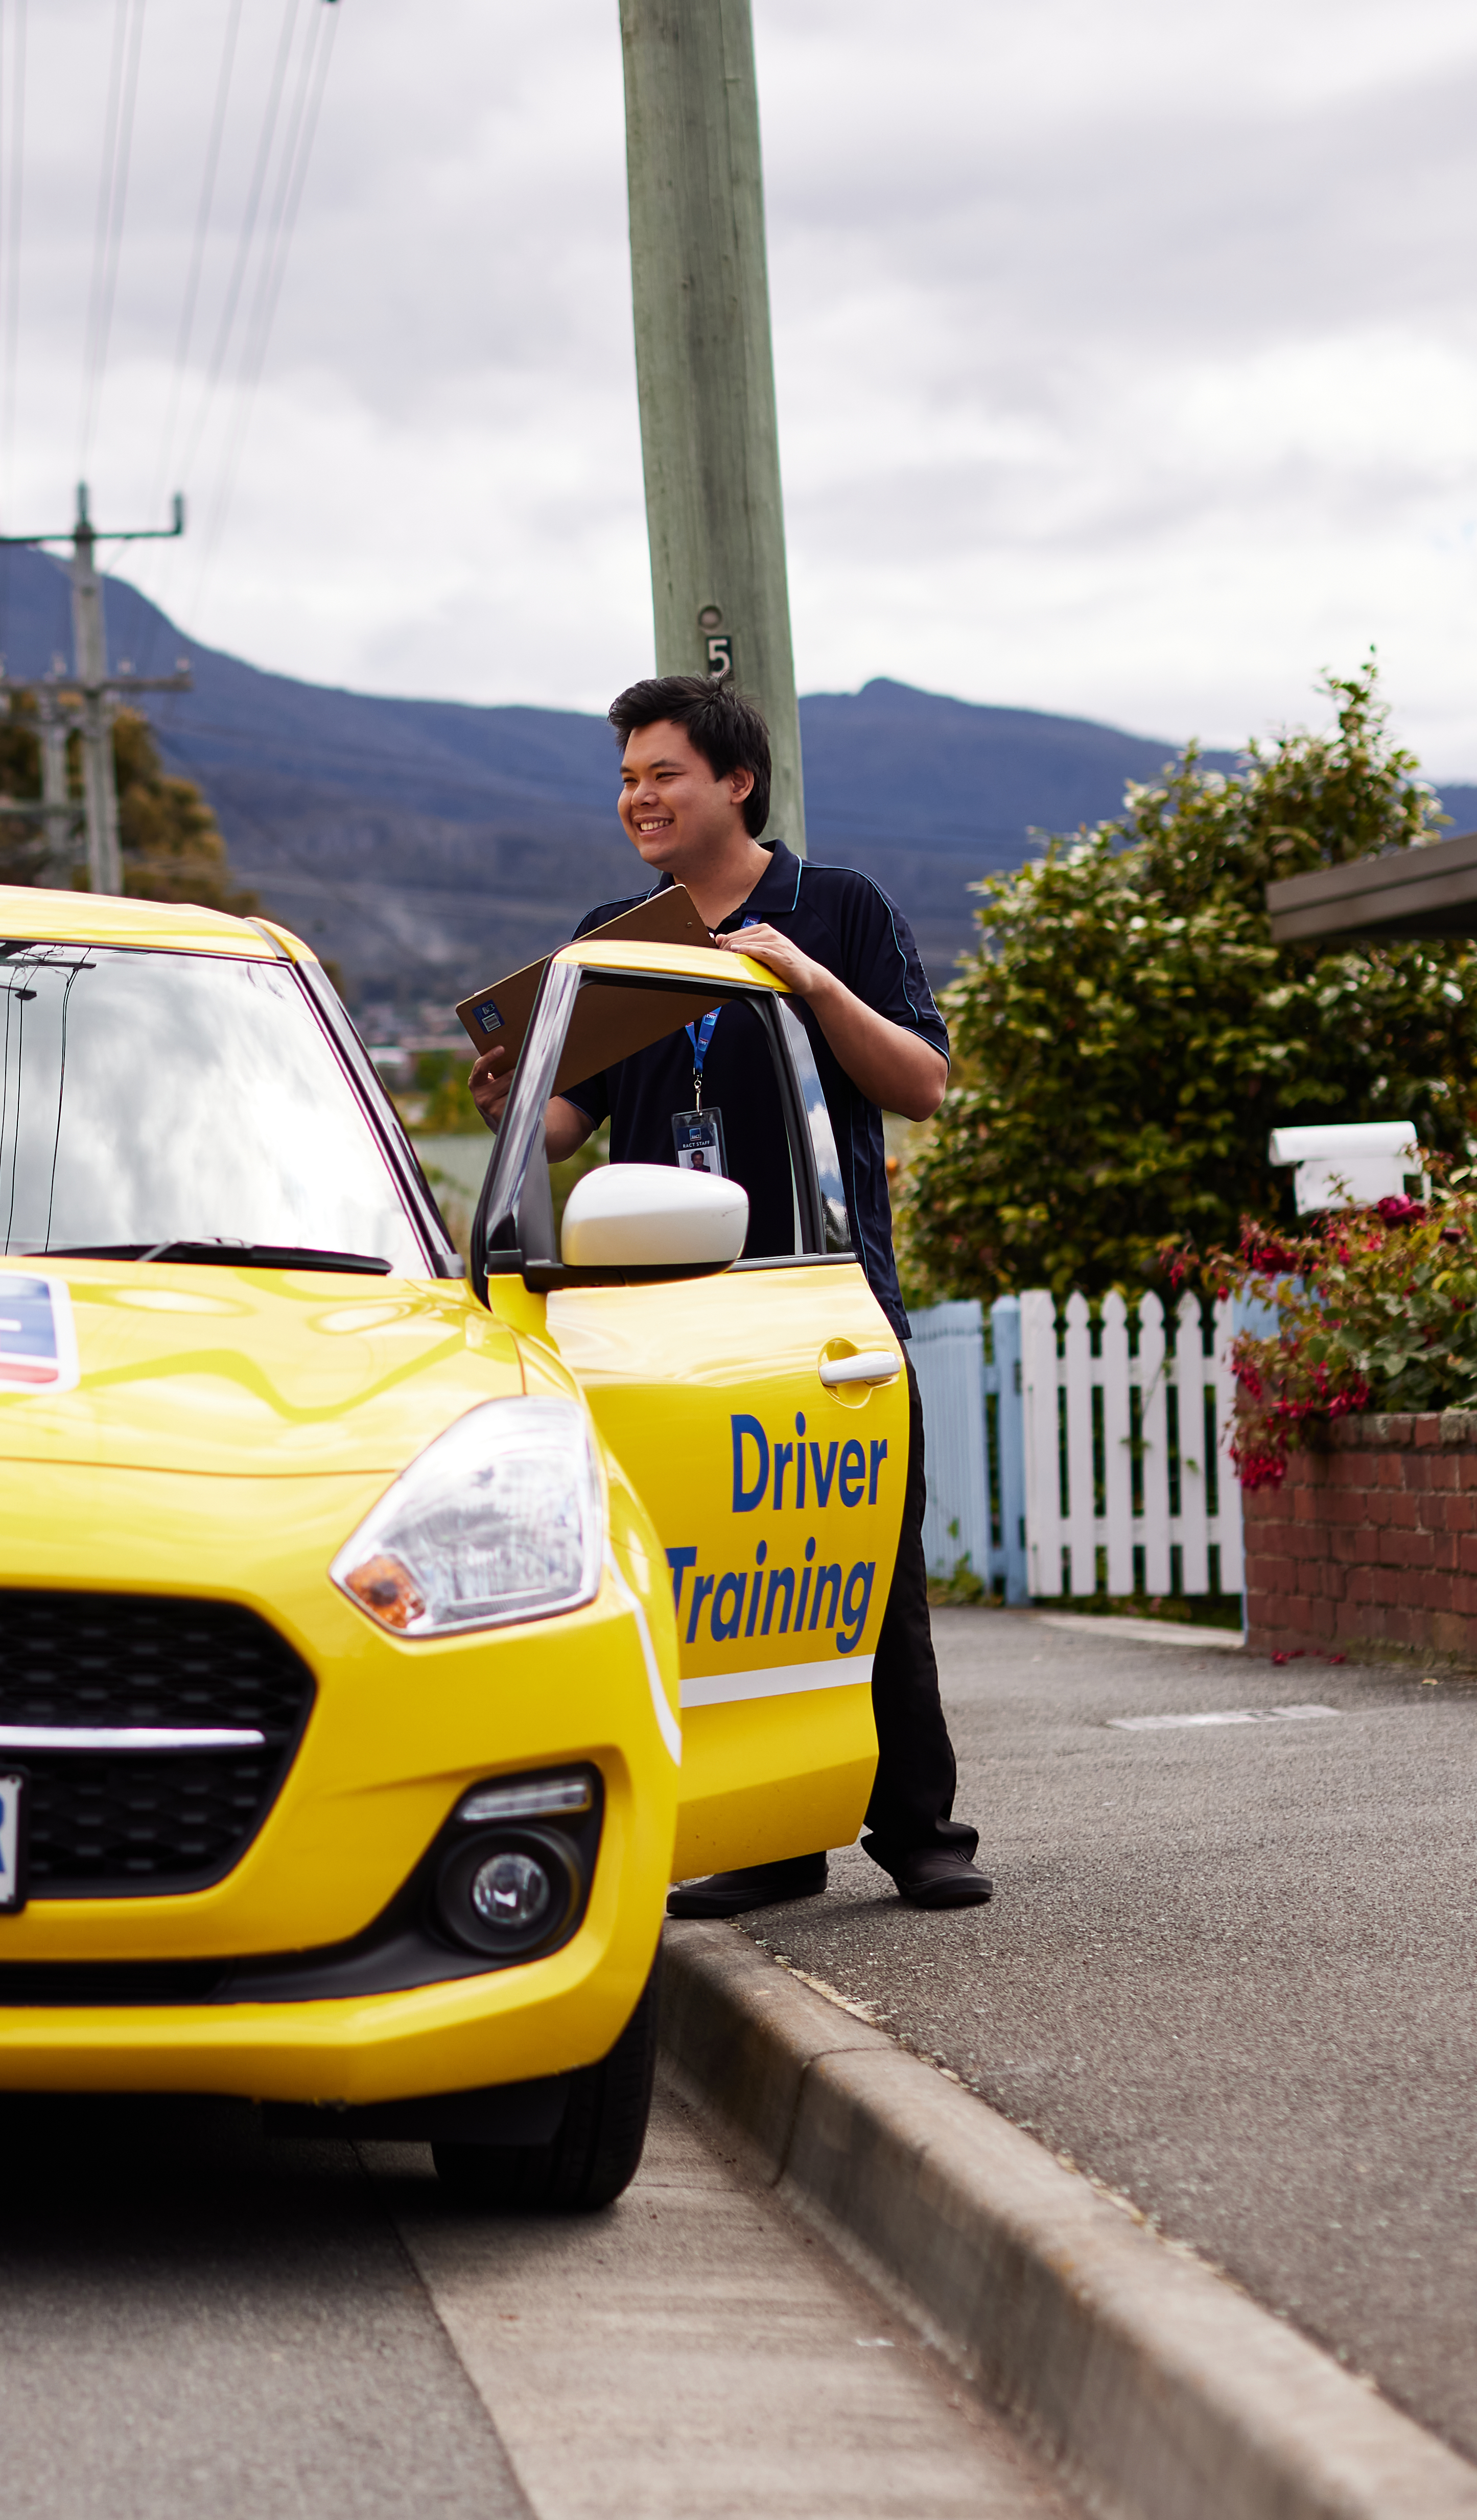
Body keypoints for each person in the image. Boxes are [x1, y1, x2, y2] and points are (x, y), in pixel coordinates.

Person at [471, 675, 990, 1913]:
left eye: (662, 775)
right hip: (653, 1321)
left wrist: (810, 980)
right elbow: (562, 1126)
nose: (637, 799)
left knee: (866, 1572)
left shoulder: (838, 907)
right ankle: (766, 1833)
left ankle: (920, 1830)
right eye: (626, 779)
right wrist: (509, 1101)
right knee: (702, 1580)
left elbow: (920, 1083)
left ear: (734, 782)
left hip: (817, 1305)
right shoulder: (615, 935)